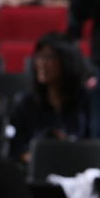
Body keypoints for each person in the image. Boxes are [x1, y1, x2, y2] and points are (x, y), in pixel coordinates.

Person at [9, 34, 99, 162]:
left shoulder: (88, 100)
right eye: (39, 57)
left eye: (49, 57)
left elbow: (94, 144)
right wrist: (42, 155)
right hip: (37, 173)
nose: (41, 63)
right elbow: (15, 150)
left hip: (80, 170)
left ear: (67, 60)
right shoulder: (26, 103)